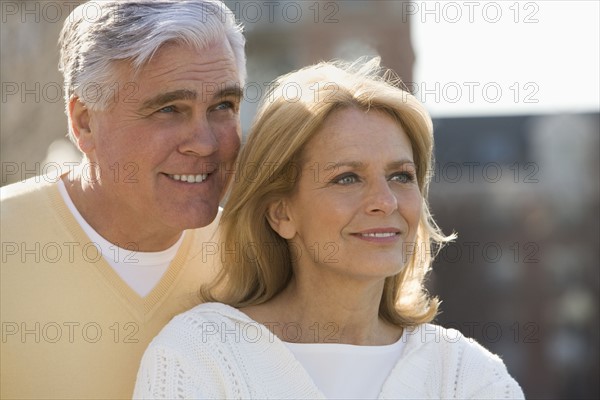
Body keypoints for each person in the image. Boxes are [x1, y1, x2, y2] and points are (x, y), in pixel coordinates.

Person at [133, 58, 525, 399]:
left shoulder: (468, 377)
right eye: (347, 178)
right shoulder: (200, 355)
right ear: (280, 214)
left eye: (401, 176)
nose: (385, 202)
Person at [0, 1, 245, 398]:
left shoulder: (256, 258)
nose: (205, 143)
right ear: (85, 122)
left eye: (223, 107)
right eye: (169, 109)